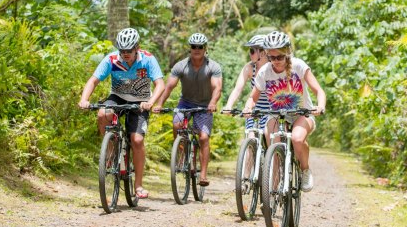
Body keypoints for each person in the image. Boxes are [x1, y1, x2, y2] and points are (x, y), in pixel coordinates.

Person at [79, 27, 165, 199]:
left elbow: (160, 84)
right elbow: (93, 80)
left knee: (137, 140)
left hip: (140, 101)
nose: (125, 54)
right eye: (122, 50)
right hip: (117, 97)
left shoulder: (148, 59)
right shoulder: (111, 59)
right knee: (103, 114)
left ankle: (139, 186)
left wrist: (150, 102)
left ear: (137, 48)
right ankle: (110, 152)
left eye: (129, 50)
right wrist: (84, 99)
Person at [243, 31, 326, 192]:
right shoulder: (265, 71)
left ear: (287, 53)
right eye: (272, 57)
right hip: (277, 114)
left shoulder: (299, 66)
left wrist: (320, 106)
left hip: (302, 113)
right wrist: (248, 108)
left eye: (280, 57)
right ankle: (274, 186)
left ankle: (305, 170)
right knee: (272, 139)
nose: (276, 61)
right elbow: (252, 98)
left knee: (297, 139)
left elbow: (319, 91)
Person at [153, 33, 223, 186]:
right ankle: (183, 157)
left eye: (200, 47)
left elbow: (217, 87)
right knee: (177, 125)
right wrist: (159, 104)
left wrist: (213, 102)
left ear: (205, 49)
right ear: (190, 48)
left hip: (205, 106)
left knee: (204, 137)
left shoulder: (213, 66)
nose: (196, 49)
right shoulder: (181, 65)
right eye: (193, 47)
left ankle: (203, 174)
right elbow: (169, 86)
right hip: (185, 103)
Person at [222, 35, 270, 129]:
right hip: (253, 110)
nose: (249, 54)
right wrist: (228, 105)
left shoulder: (274, 68)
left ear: (263, 53)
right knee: (251, 136)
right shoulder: (249, 68)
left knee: (271, 138)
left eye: (252, 51)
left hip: (272, 111)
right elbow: (237, 89)